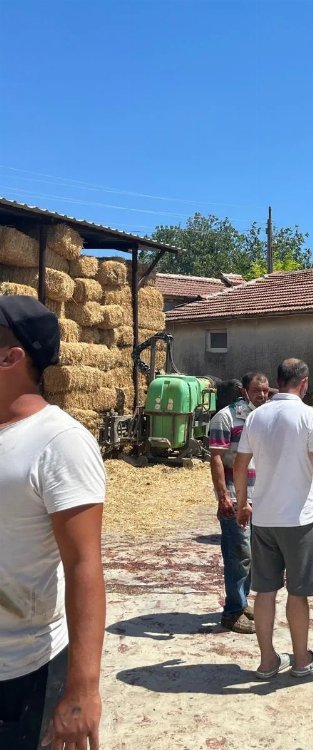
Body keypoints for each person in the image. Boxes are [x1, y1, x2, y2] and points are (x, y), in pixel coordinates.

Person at [0, 295, 106, 749]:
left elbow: (84, 564)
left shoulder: (59, 442)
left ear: (11, 356)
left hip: (22, 671)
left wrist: (82, 689)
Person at [233, 358, 313, 679]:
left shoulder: (256, 417)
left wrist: (243, 503)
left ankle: (267, 661)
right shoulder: (308, 416)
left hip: (264, 519)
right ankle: (301, 660)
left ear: (278, 380)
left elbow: (240, 466)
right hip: (299, 521)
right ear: (304, 383)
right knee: (297, 594)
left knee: (264, 592)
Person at [208, 371, 270, 633]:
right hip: (236, 496)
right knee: (238, 554)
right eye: (257, 390)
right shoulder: (226, 417)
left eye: (266, 390)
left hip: (260, 497)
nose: (263, 395)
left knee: (253, 554)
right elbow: (217, 459)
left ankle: (242, 602)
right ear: (244, 391)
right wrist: (224, 497)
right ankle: (232, 612)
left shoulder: (264, 417)